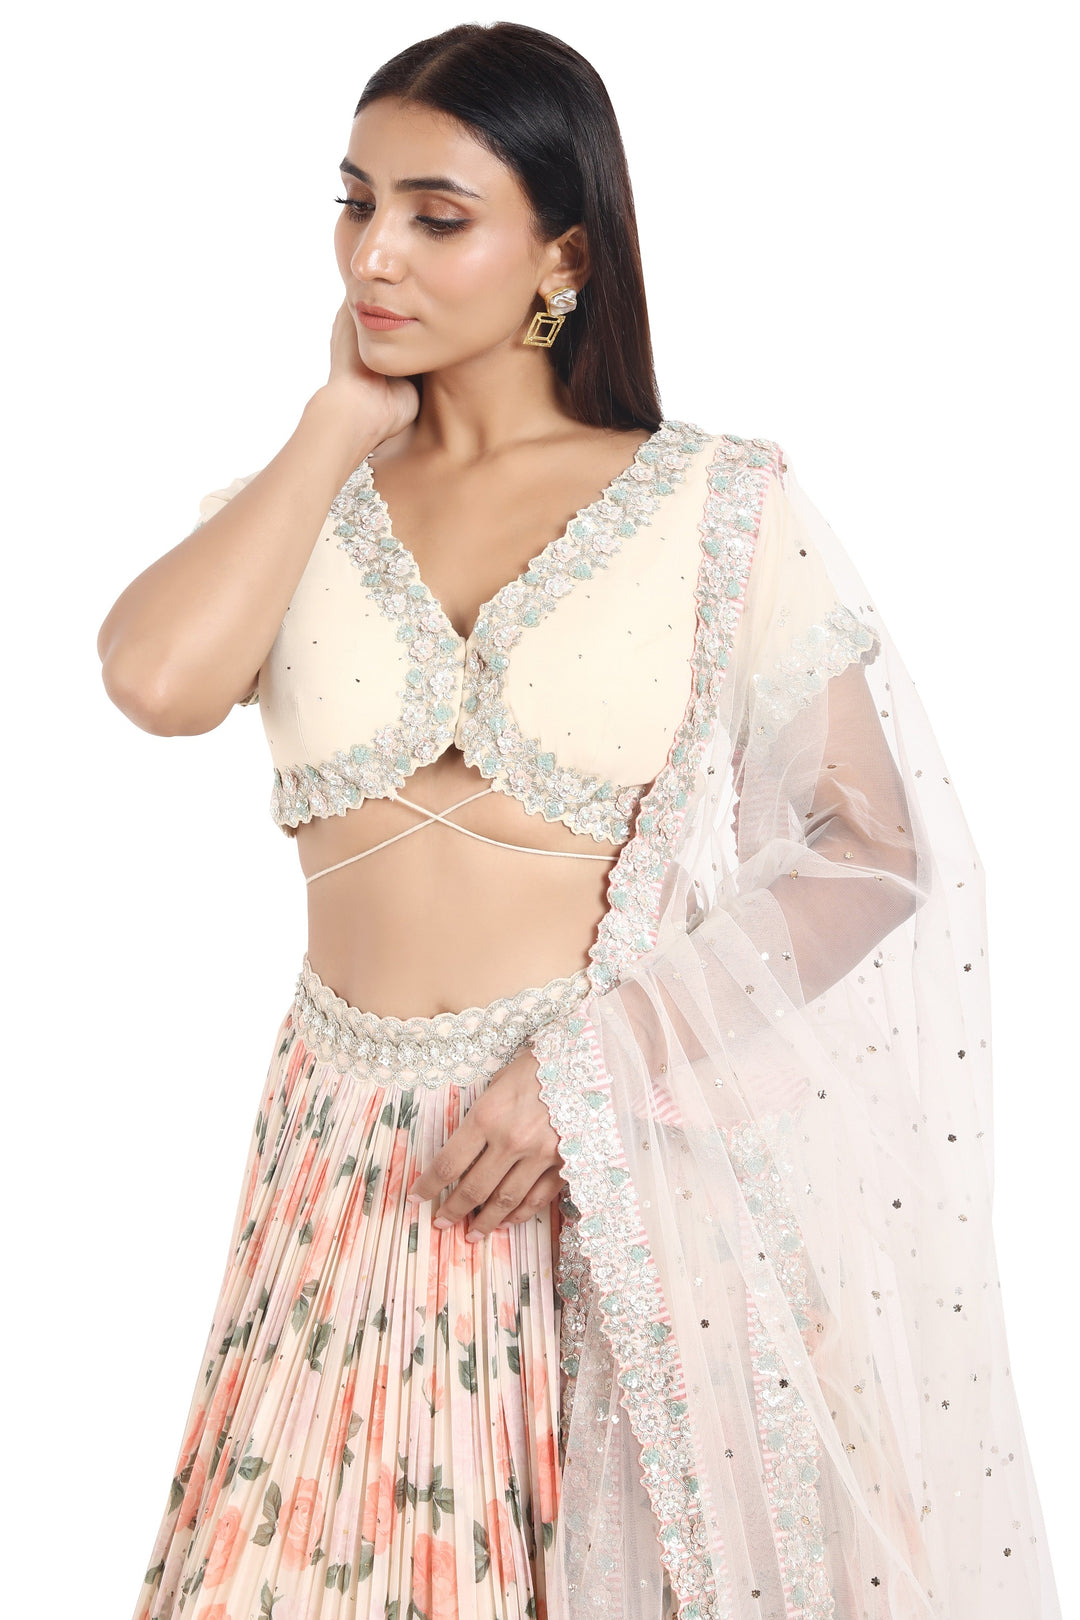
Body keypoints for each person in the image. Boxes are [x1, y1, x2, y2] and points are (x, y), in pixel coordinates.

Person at [99, 21, 1060, 1620]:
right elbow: (153, 681)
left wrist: (592, 1069)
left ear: (565, 253)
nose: (375, 255)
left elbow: (867, 847)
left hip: (612, 1170)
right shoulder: (302, 506)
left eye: (436, 216)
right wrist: (336, 422)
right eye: (355, 204)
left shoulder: (717, 502)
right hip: (348, 1175)